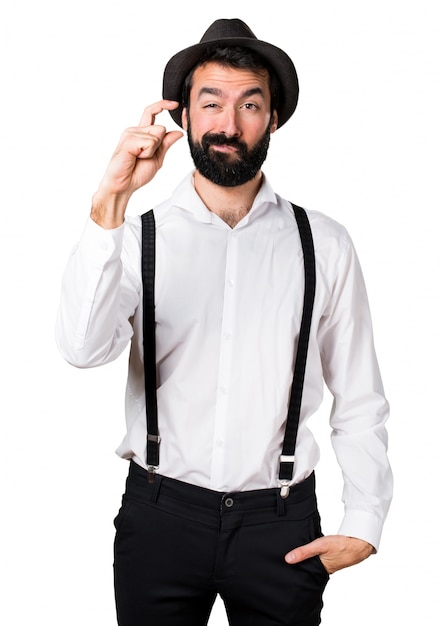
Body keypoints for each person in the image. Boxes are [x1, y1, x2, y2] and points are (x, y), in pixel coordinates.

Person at [56, 18, 393, 626]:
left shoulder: (324, 244)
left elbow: (360, 394)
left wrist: (365, 523)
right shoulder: (134, 237)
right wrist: (109, 203)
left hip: (281, 526)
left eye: (250, 104)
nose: (228, 124)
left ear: (274, 119)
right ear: (182, 117)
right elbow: (82, 350)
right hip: (159, 518)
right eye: (210, 103)